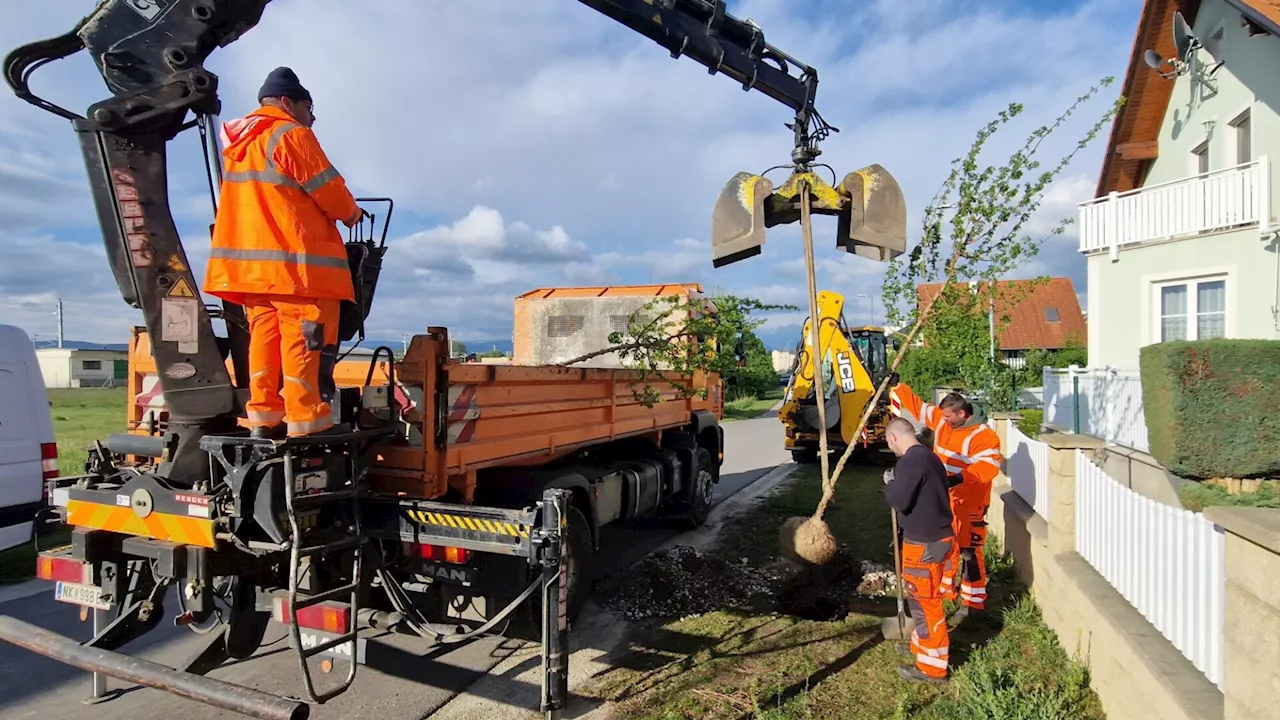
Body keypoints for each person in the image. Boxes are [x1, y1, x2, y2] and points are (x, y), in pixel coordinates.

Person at [203, 67, 364, 438]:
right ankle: (305, 420)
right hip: (295, 267)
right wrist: (352, 213)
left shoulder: (240, 146)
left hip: (253, 273)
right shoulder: (291, 134)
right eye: (310, 108)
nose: (313, 117)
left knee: (264, 339)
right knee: (303, 339)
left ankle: (264, 416)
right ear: (288, 103)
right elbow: (330, 191)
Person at [888, 376, 1003, 619]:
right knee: (946, 550)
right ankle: (945, 592)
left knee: (970, 551)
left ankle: (974, 602)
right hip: (945, 499)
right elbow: (918, 407)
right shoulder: (942, 420)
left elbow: (989, 466)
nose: (944, 421)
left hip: (970, 503)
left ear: (963, 414)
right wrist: (899, 387)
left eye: (950, 417)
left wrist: (960, 478)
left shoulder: (983, 436)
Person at [883, 416, 956, 683]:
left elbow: (900, 501)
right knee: (920, 600)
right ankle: (920, 646)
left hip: (924, 543)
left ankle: (933, 668)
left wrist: (890, 483)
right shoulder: (928, 456)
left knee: (927, 604)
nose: (891, 448)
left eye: (889, 443)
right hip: (938, 538)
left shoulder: (911, 462)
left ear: (893, 438)